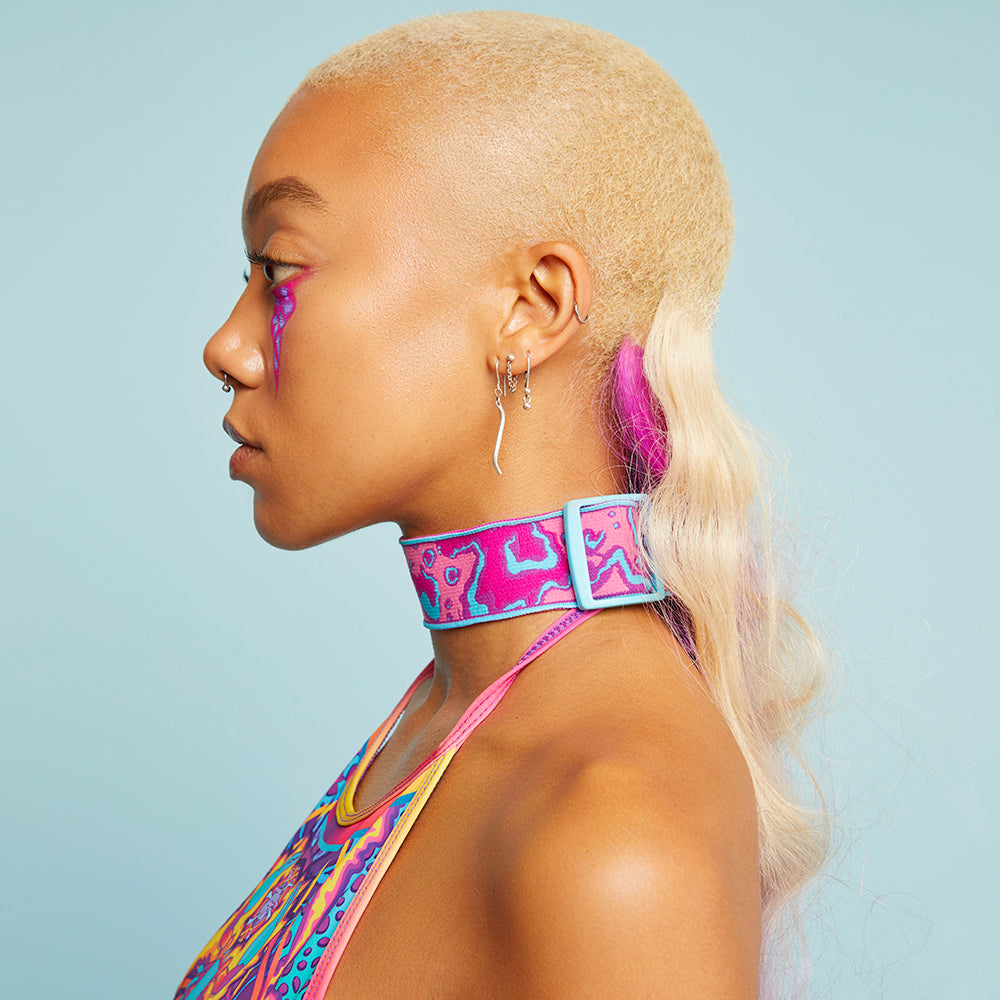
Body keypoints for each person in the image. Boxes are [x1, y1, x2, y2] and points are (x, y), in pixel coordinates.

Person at [183, 11, 827, 999]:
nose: (226, 346)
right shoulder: (438, 721)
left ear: (530, 308)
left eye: (278, 270)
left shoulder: (611, 819)